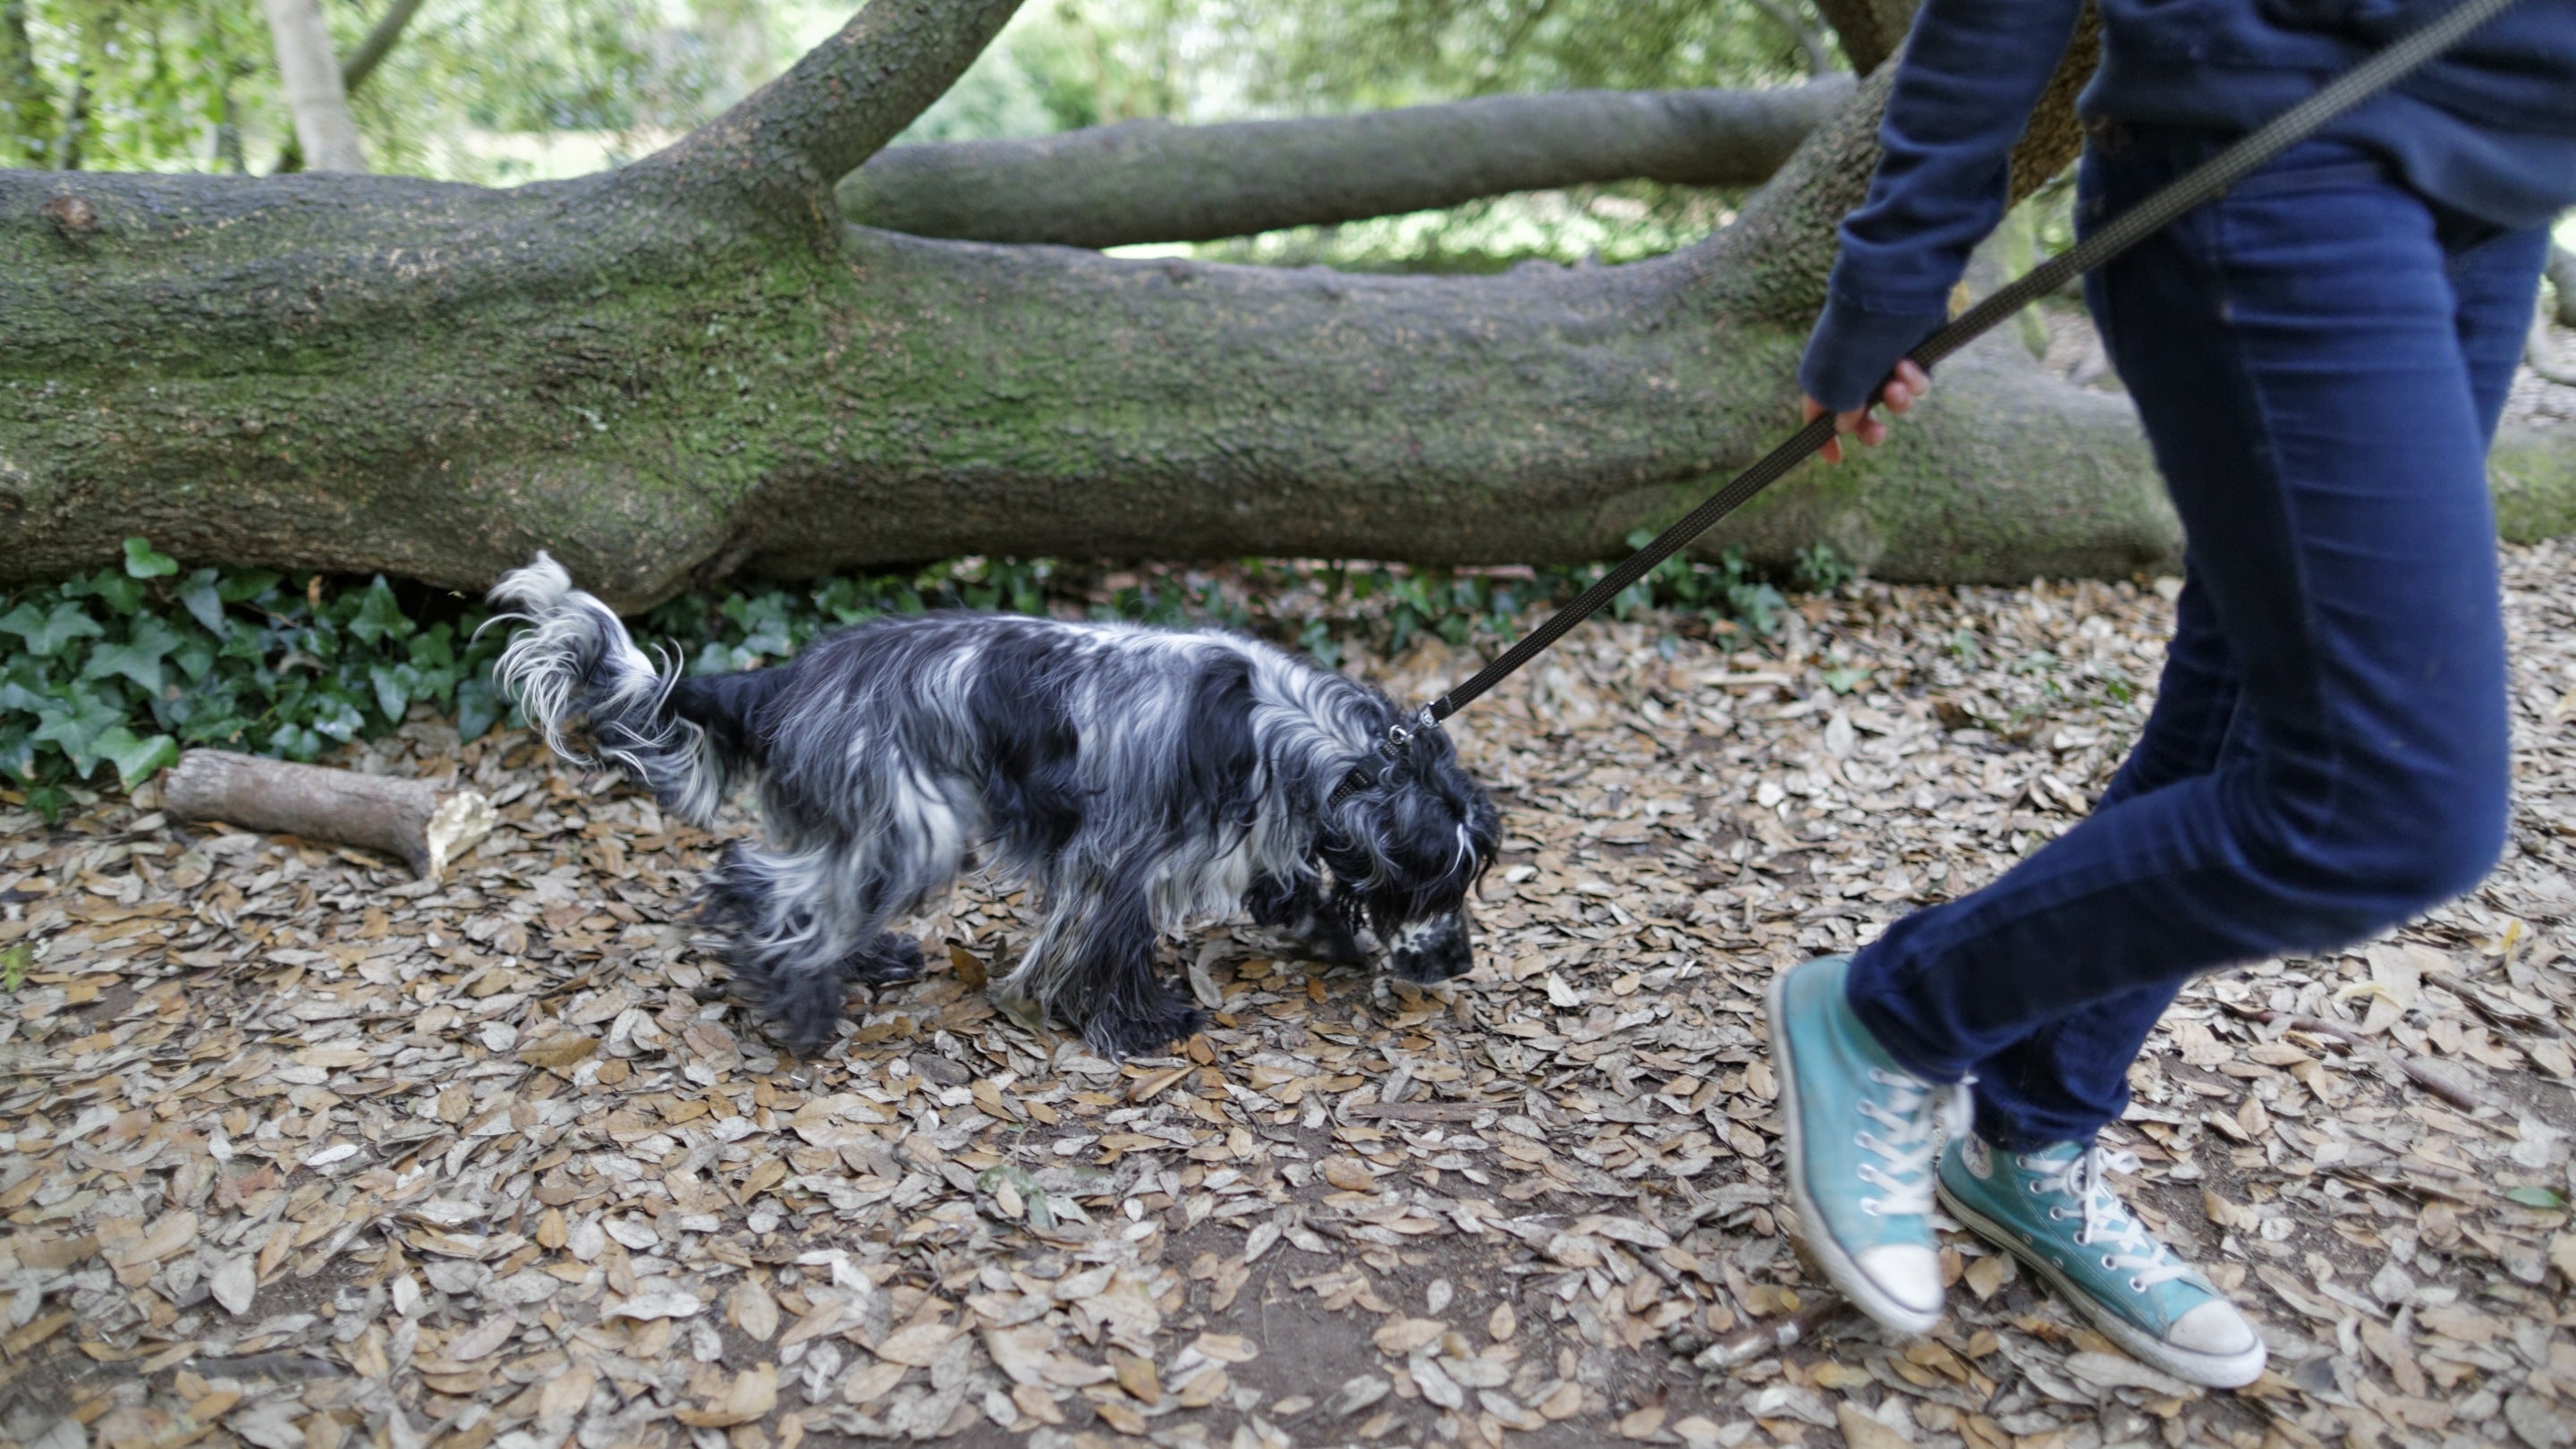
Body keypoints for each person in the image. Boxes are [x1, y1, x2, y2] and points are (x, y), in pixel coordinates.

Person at [1773, 0, 2576, 1388]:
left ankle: (2031, 1131)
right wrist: (1901, 255)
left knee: (2251, 718)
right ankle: (1890, 1013)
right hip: (2276, 142)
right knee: (2391, 813)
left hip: (2501, 185)